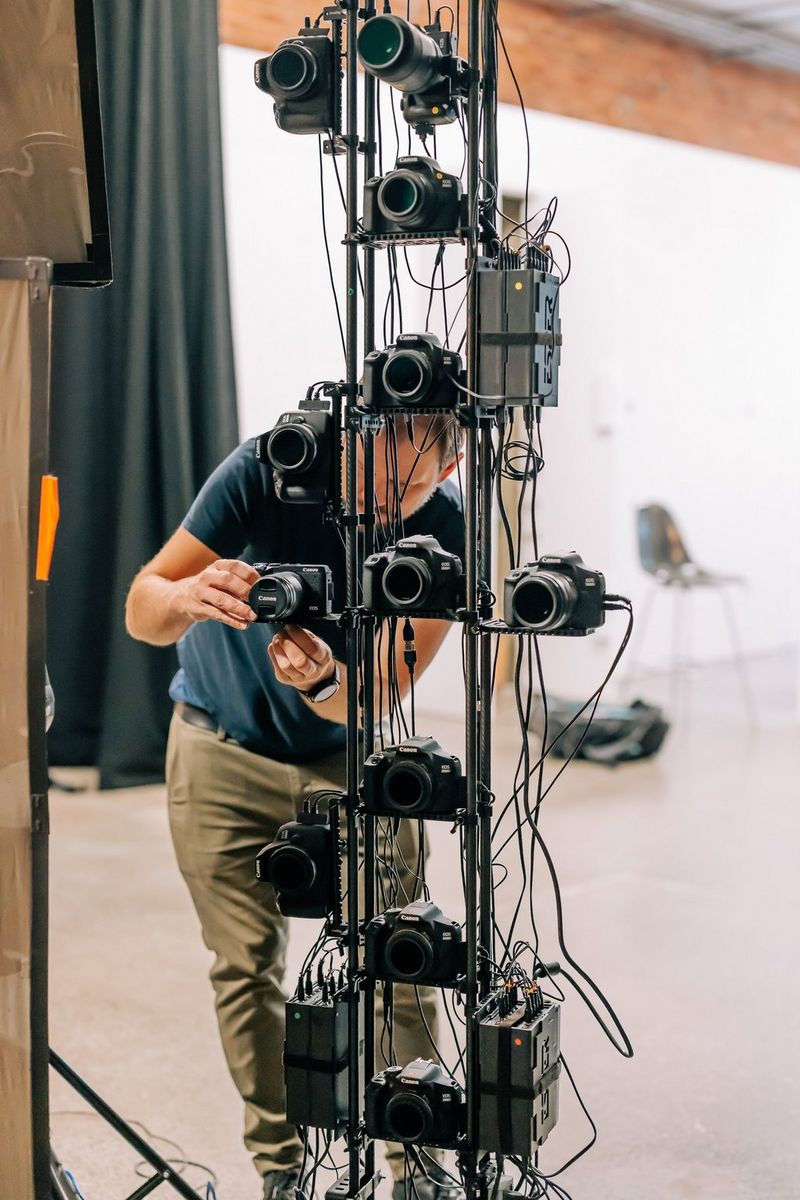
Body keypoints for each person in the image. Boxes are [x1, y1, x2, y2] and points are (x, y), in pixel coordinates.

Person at [125, 414, 465, 1200]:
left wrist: (321, 682)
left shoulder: (443, 541)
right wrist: (184, 594)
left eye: (401, 491)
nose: (377, 503)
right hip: (217, 751)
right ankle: (284, 1171)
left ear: (445, 473)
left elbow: (379, 692)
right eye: (367, 477)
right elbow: (141, 611)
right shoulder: (271, 468)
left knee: (402, 966)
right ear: (349, 439)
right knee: (244, 972)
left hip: (350, 766)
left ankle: (415, 1169)